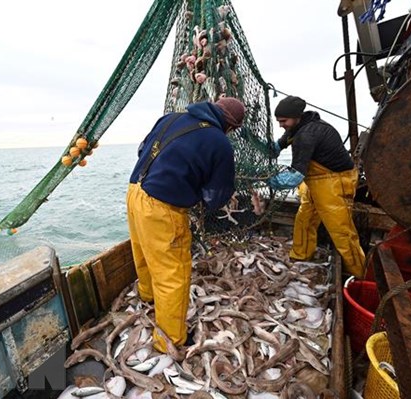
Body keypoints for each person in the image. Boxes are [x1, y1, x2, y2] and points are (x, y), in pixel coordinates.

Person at [126, 96, 245, 353]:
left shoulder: (172, 117)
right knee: (173, 274)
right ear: (231, 126)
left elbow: (142, 148)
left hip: (135, 191)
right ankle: (170, 339)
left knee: (144, 251)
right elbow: (215, 196)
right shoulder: (220, 143)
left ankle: (147, 296)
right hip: (162, 208)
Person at [268, 95, 365, 277]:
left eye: (283, 121)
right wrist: (249, 138)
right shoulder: (296, 128)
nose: (281, 125)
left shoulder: (307, 135)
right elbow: (275, 149)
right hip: (316, 181)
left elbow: (294, 177)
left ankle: (359, 274)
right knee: (305, 218)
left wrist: (270, 180)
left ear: (296, 116)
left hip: (336, 182)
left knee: (342, 233)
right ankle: (301, 257)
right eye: (279, 121)